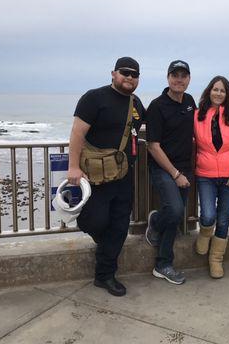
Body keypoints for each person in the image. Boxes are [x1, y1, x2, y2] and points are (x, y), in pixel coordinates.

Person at [67, 56, 145, 296]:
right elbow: (77, 133)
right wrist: (73, 167)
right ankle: (105, 249)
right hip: (96, 177)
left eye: (134, 74)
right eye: (125, 72)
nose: (129, 77)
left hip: (124, 176)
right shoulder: (93, 98)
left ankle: (105, 276)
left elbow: (140, 132)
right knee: (95, 221)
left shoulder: (136, 104)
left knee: (120, 227)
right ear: (113, 74)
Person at [144, 60, 196, 285]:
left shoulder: (190, 102)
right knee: (174, 210)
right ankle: (155, 222)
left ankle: (163, 264)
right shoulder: (157, 106)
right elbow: (153, 145)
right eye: (175, 75)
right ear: (167, 78)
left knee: (175, 215)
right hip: (163, 168)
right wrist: (175, 174)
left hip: (185, 167)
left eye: (183, 75)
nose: (179, 79)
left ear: (189, 79)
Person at [193, 76, 229, 278]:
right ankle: (205, 232)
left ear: (227, 94)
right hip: (205, 174)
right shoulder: (198, 115)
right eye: (215, 89)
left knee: (223, 221)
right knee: (207, 215)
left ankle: (216, 260)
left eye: (222, 90)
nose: (218, 93)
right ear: (209, 91)